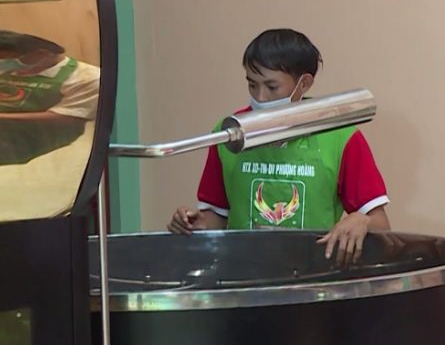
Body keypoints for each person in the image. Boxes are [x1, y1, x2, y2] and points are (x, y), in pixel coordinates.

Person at [167, 29, 390, 263]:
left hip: (314, 274)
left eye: (272, 87)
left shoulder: (341, 137)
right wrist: (195, 224)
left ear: (304, 84)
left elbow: (381, 225)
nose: (260, 97)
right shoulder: (229, 134)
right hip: (244, 273)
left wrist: (361, 221)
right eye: (252, 85)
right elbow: (216, 216)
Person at [0, 30, 100, 172]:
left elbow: (67, 118)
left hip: (32, 140)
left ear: (40, 54)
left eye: (0, 59)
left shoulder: (87, 78)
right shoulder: (2, 71)